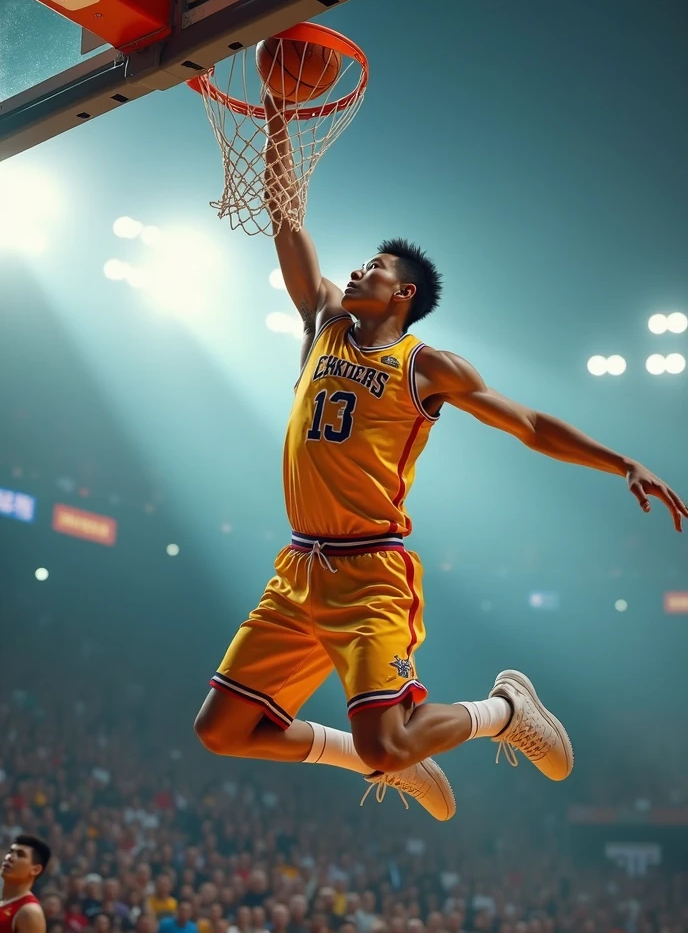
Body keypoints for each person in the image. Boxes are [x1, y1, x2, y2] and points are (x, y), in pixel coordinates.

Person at [194, 92, 688, 821]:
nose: (357, 272)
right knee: (222, 731)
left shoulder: (428, 366)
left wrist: (622, 461)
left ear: (405, 292)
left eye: (375, 267)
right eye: (359, 265)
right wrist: (276, 122)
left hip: (369, 573)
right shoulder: (325, 322)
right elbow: (287, 221)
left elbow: (526, 423)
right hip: (299, 567)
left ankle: (503, 708)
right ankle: (383, 759)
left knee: (389, 742)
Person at [1, 836, 51, 933]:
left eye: (20, 855)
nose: (9, 857)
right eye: (10, 852)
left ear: (35, 870)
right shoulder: (5, 900)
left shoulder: (29, 912)